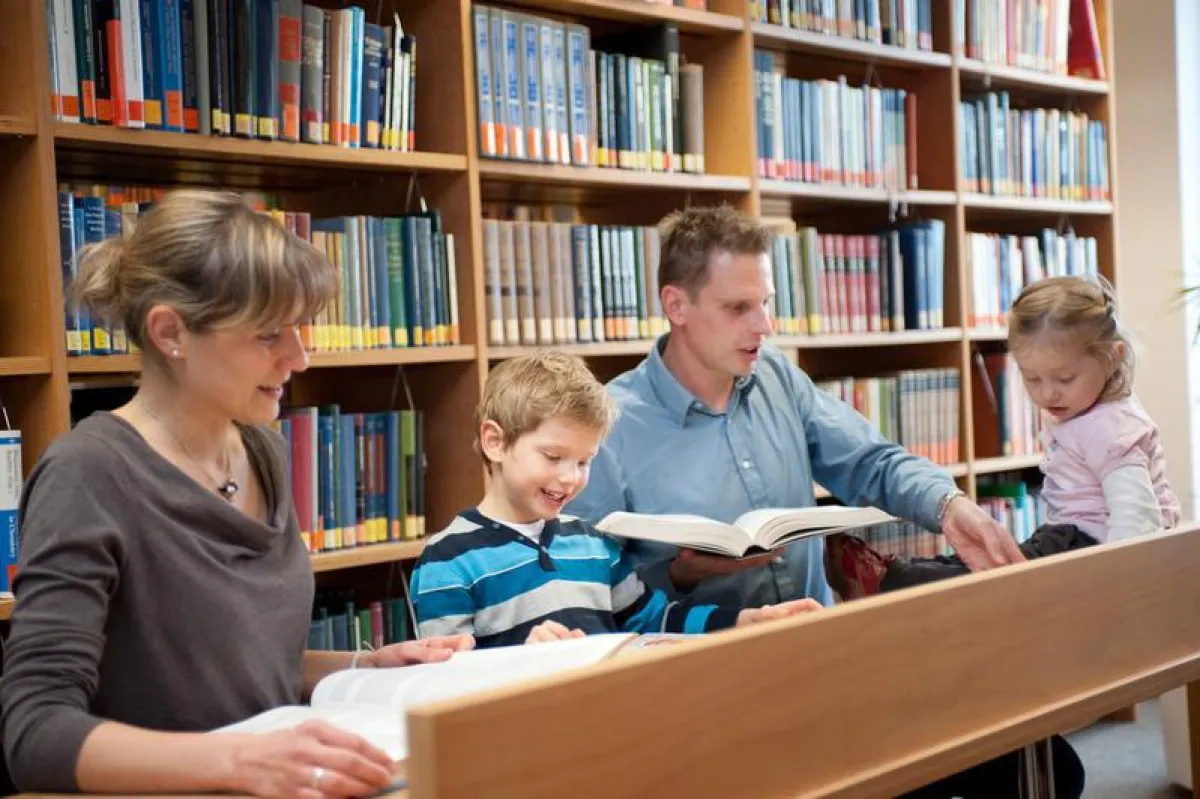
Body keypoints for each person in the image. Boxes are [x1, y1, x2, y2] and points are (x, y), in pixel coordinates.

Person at [0, 189, 473, 798]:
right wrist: (239, 762)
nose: (299, 359)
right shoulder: (86, 473)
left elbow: (228, 676)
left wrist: (363, 666)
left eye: (300, 331)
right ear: (171, 331)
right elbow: (35, 733)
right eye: (270, 334)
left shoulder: (262, 449)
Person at [565, 203, 1025, 611]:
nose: (764, 325)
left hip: (813, 646)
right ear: (676, 305)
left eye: (765, 303)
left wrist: (948, 505)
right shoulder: (610, 425)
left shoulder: (776, 376)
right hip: (699, 675)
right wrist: (680, 575)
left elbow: (872, 462)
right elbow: (586, 588)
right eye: (738, 307)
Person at [411, 350, 822, 648]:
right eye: (553, 457)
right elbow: (446, 682)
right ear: (495, 442)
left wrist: (745, 621)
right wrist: (521, 656)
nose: (570, 478)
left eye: (584, 461)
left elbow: (654, 620)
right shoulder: (448, 559)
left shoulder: (593, 545)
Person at [872, 274, 1181, 591]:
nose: (1048, 394)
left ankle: (896, 579)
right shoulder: (1081, 411)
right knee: (994, 562)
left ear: (1113, 357)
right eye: (1032, 379)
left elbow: (1138, 518)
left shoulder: (1111, 428)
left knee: (995, 580)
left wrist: (1119, 586)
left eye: (1064, 378)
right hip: (1069, 536)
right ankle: (899, 572)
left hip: (1093, 548)